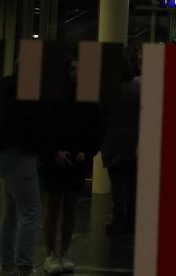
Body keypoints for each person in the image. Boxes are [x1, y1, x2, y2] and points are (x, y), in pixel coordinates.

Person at [40, 57, 104, 274]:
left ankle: (64, 251)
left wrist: (87, 152)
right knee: (52, 207)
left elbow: (96, 129)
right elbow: (44, 128)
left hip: (76, 159)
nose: (77, 72)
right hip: (55, 159)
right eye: (72, 69)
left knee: (70, 208)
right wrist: (52, 152)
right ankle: (50, 252)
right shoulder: (53, 97)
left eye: (79, 68)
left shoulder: (88, 99)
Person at [0, 67, 48, 276]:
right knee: (31, 211)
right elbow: (35, 127)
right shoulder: (29, 93)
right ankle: (24, 266)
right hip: (21, 156)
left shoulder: (5, 85)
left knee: (10, 210)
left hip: (2, 154)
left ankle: (7, 264)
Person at [102, 49, 141, 237]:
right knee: (132, 183)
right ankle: (132, 220)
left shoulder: (108, 90)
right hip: (135, 141)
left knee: (116, 183)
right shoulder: (139, 88)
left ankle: (119, 219)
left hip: (113, 141)